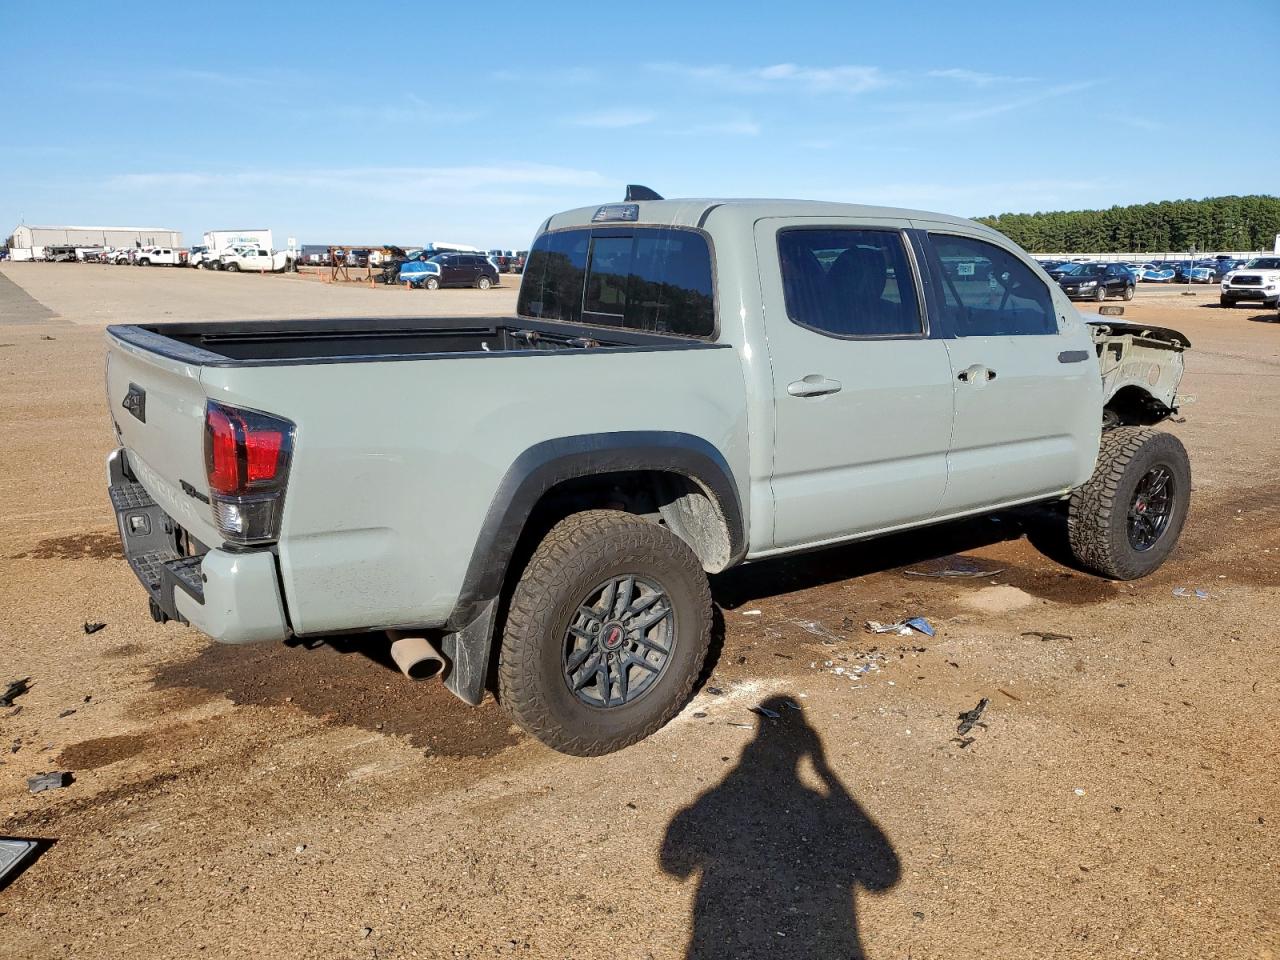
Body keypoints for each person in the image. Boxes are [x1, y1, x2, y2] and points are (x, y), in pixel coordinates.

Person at [661, 695, 899, 958]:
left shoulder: (714, 800)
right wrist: (825, 773)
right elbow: (883, 878)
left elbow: (673, 865)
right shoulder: (818, 805)